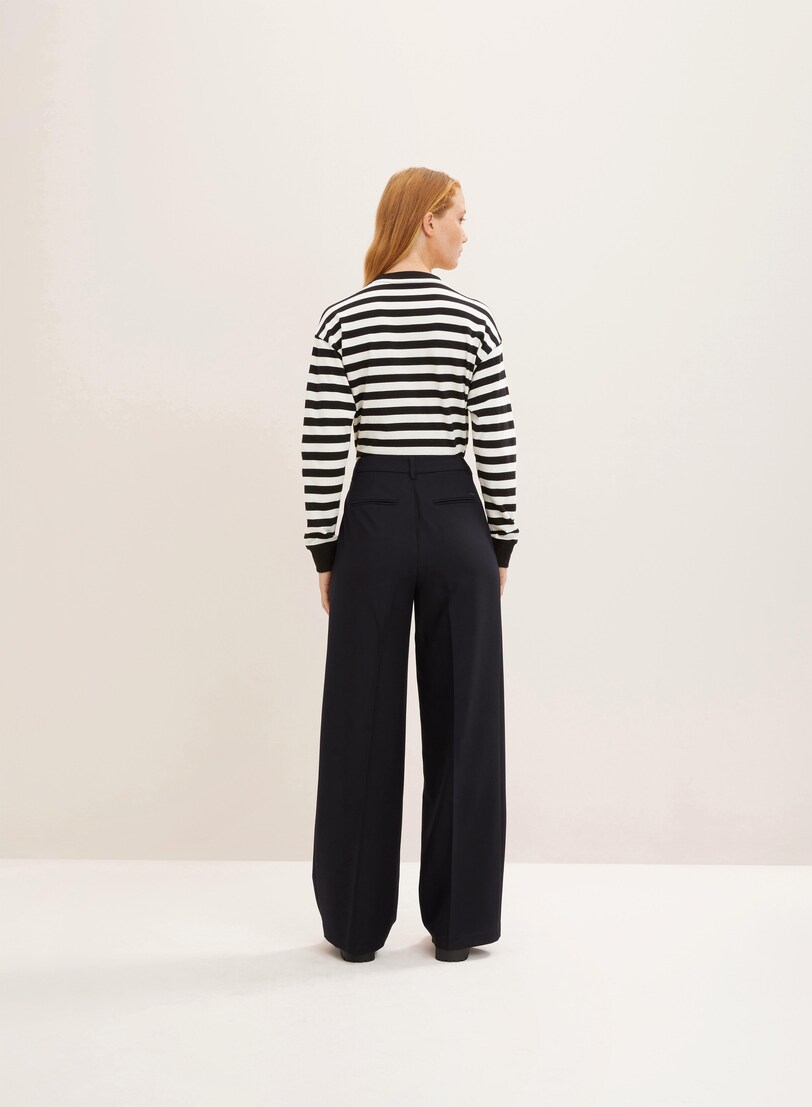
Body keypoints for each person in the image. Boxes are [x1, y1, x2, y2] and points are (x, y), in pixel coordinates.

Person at [301, 167, 518, 963]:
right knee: (465, 722)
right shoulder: (473, 320)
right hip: (459, 518)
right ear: (427, 220)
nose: (466, 231)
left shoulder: (343, 319)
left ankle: (356, 925)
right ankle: (458, 926)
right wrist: (501, 540)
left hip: (373, 519)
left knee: (359, 718)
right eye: (459, 216)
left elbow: (324, 443)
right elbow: (496, 440)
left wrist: (326, 548)